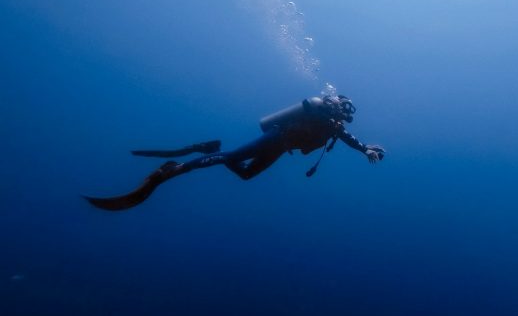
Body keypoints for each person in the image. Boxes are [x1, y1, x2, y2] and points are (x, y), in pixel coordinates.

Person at [84, 95, 385, 211]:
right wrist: (324, 108)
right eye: (341, 112)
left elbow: (347, 138)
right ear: (335, 106)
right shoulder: (320, 112)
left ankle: (210, 148)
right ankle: (170, 171)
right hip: (276, 137)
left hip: (282, 149)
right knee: (231, 159)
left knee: (244, 175)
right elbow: (315, 111)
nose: (342, 118)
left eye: (344, 116)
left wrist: (365, 149)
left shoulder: (334, 126)